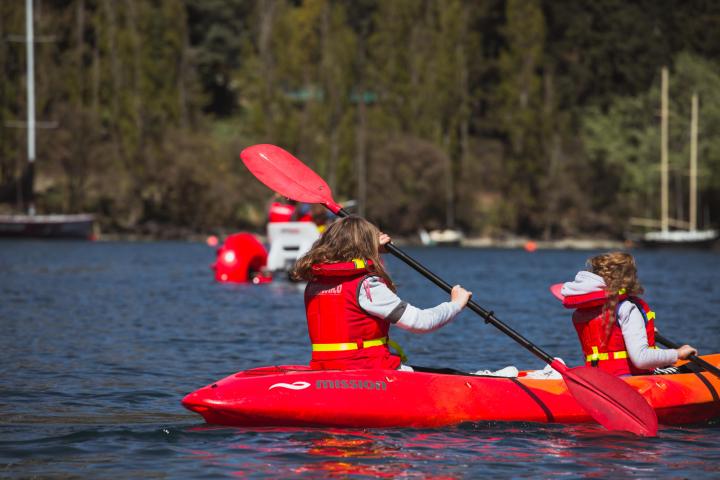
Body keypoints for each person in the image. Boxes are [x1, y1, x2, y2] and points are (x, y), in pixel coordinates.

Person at [291, 216, 472, 371]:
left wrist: (372, 251)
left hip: (325, 371)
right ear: (367, 246)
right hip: (369, 373)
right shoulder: (366, 285)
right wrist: (455, 304)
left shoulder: (315, 283)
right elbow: (421, 322)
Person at [551, 252, 697, 376]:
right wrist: (678, 353)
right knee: (695, 368)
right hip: (630, 381)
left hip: (598, 380)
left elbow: (612, 338)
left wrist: (644, 333)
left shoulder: (581, 311)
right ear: (627, 279)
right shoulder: (626, 308)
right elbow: (641, 359)